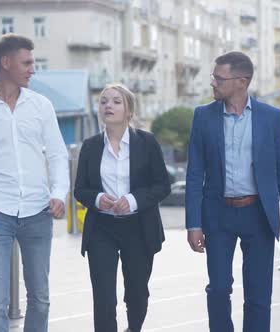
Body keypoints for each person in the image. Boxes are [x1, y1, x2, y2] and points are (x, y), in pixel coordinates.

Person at [185, 51, 280, 332]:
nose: (212, 83)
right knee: (219, 288)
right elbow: (194, 174)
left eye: (219, 78)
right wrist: (194, 224)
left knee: (259, 294)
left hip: (258, 215)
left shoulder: (271, 118)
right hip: (218, 215)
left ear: (241, 81)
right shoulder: (203, 116)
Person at [0, 34, 69, 332]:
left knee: (40, 297)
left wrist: (59, 193)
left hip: (38, 212)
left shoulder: (42, 106)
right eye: (27, 63)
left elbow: (59, 154)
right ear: (5, 63)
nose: (32, 69)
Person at [74, 83, 171, 332]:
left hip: (139, 227)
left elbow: (162, 185)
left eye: (116, 101)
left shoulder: (147, 143)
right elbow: (80, 189)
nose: (109, 105)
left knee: (137, 294)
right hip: (102, 229)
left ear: (129, 110)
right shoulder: (91, 146)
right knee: (104, 297)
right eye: (104, 101)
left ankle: (133, 328)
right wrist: (97, 199)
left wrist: (133, 200)